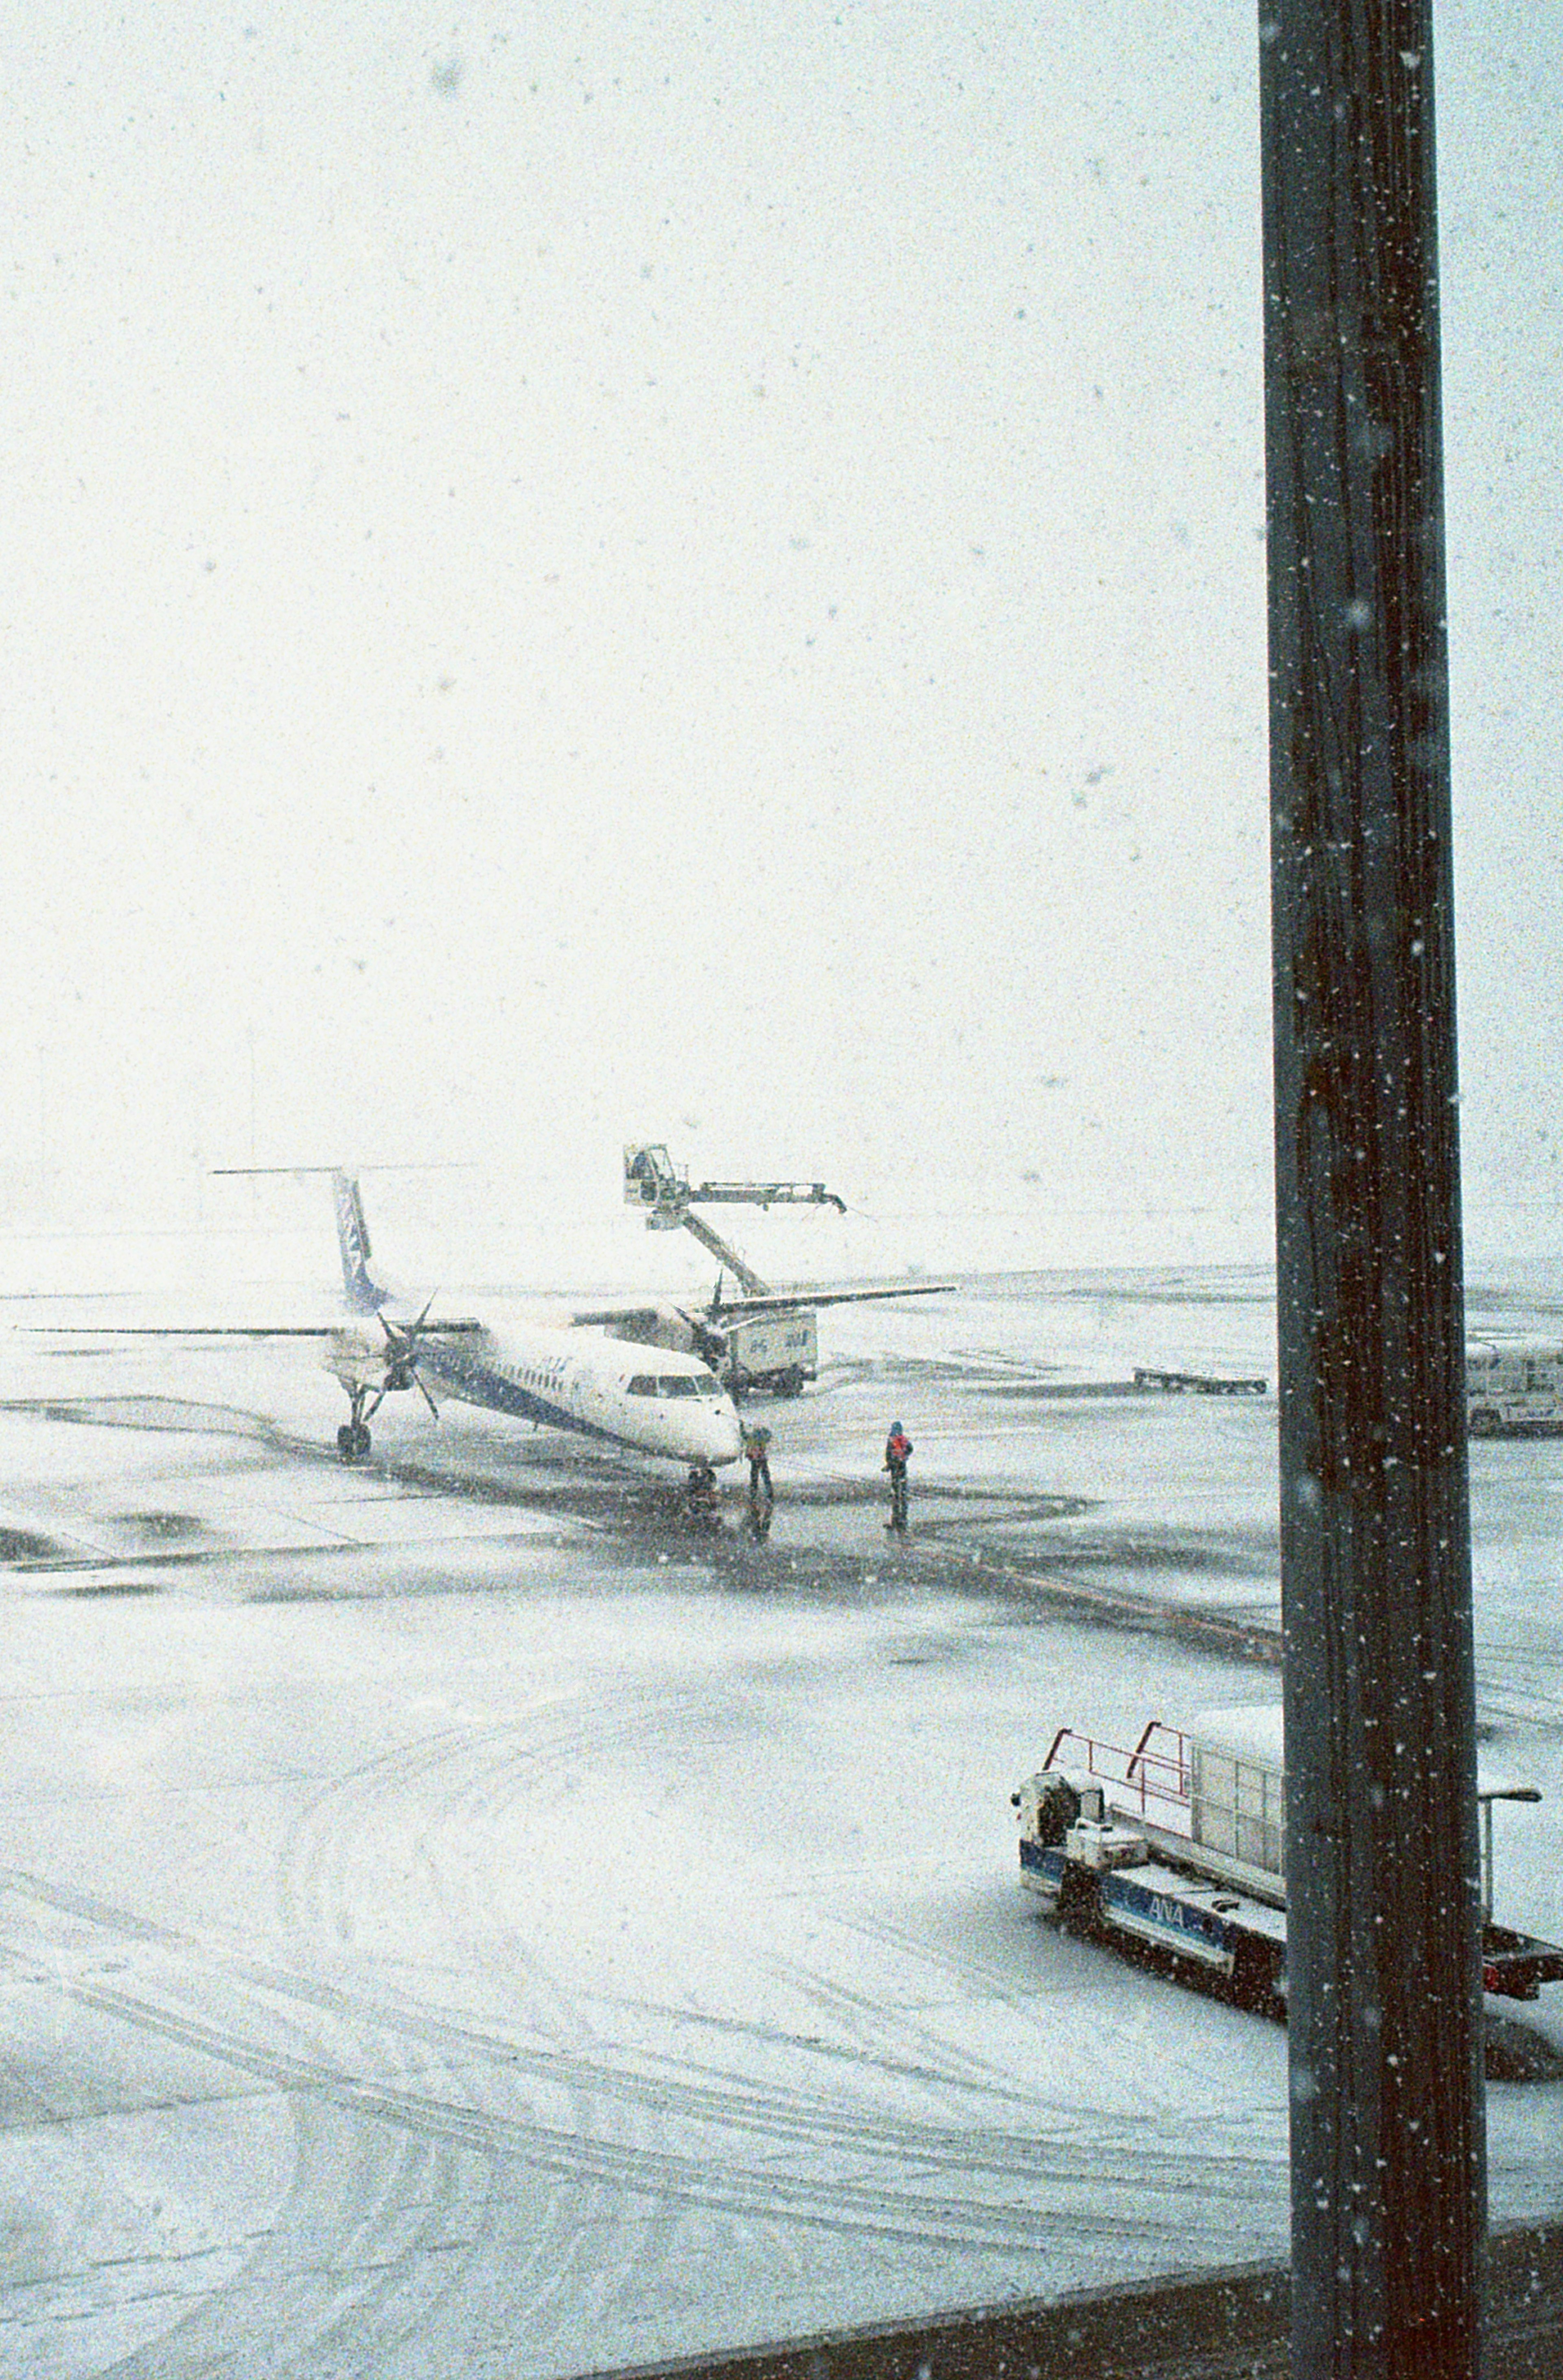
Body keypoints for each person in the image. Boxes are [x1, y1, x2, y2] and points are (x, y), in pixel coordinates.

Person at [883, 1421, 912, 1531]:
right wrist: (905, 1456)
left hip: (895, 1462)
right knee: (903, 1477)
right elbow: (911, 1448)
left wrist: (889, 1462)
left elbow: (888, 1452)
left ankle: (896, 1494)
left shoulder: (891, 1439)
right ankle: (903, 1492)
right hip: (902, 1462)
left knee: (895, 1479)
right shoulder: (903, 1439)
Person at [741, 1422, 774, 1514]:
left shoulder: (753, 1439)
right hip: (760, 1460)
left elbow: (744, 1436)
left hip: (757, 1460)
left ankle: (754, 1495)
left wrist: (742, 1427)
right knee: (764, 1477)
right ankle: (768, 1494)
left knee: (756, 1478)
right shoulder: (760, 1438)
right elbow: (769, 1436)